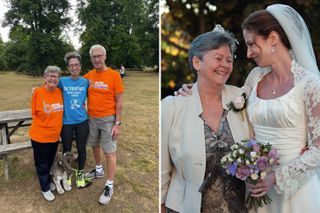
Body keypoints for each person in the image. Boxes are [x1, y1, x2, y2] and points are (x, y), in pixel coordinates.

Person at [176, 4, 320, 213]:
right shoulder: (256, 77)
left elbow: (318, 148)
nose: (249, 53)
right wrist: (193, 89)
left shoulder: (310, 85)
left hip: (295, 189)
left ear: (272, 39)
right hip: (256, 188)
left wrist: (277, 177)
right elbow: (229, 98)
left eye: (252, 44)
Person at [161, 26, 253, 213]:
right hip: (185, 207)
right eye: (218, 58)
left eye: (229, 60)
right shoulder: (172, 106)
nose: (225, 65)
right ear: (197, 62)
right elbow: (162, 168)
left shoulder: (243, 96)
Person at [83, 44, 124, 205]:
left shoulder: (114, 76)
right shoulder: (88, 77)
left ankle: (109, 185)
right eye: (94, 56)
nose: (97, 59)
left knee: (110, 152)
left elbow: (119, 101)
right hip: (92, 118)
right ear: (91, 59)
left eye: (100, 56)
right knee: (94, 145)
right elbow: (73, 86)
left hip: (108, 119)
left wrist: (118, 123)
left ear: (105, 57)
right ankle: (98, 170)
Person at [29, 65, 64, 201]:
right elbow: (34, 114)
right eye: (50, 75)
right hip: (40, 136)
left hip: (54, 136)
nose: (53, 78)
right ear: (45, 77)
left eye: (55, 76)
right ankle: (45, 188)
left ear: (58, 79)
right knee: (42, 163)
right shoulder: (37, 93)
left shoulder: (60, 92)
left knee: (50, 161)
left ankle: (48, 181)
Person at [59, 52, 90, 189]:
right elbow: (49, 86)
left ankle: (80, 175)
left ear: (80, 66)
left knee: (81, 148)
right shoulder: (62, 81)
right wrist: (36, 91)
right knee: (66, 150)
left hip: (82, 121)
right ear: (68, 68)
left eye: (76, 65)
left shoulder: (86, 82)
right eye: (71, 65)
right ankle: (67, 174)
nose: (74, 67)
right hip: (66, 122)